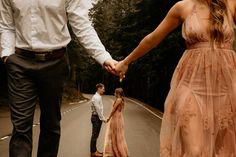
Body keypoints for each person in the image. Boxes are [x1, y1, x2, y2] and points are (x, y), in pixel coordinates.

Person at [115, 0, 236, 156]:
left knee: (223, 151)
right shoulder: (182, 7)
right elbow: (153, 39)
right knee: (193, 151)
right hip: (191, 84)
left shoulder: (231, 4)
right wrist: (126, 62)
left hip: (226, 88)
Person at [0, 0, 118, 156]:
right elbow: (7, 25)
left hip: (55, 63)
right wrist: (7, 57)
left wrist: (104, 57)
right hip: (20, 64)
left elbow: (81, 25)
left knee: (51, 125)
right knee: (21, 127)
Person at [103, 88, 129, 157]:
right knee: (118, 135)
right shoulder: (120, 99)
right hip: (119, 117)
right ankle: (117, 152)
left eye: (115, 93)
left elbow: (113, 110)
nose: (114, 93)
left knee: (115, 135)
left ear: (118, 93)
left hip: (116, 118)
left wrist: (109, 117)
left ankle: (118, 153)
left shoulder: (118, 100)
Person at [90, 83, 107, 157]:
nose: (104, 90)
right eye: (103, 89)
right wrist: (103, 119)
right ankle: (93, 152)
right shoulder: (97, 97)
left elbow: (99, 109)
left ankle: (95, 150)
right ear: (99, 88)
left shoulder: (97, 96)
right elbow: (98, 110)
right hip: (96, 118)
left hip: (96, 117)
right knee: (94, 135)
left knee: (95, 135)